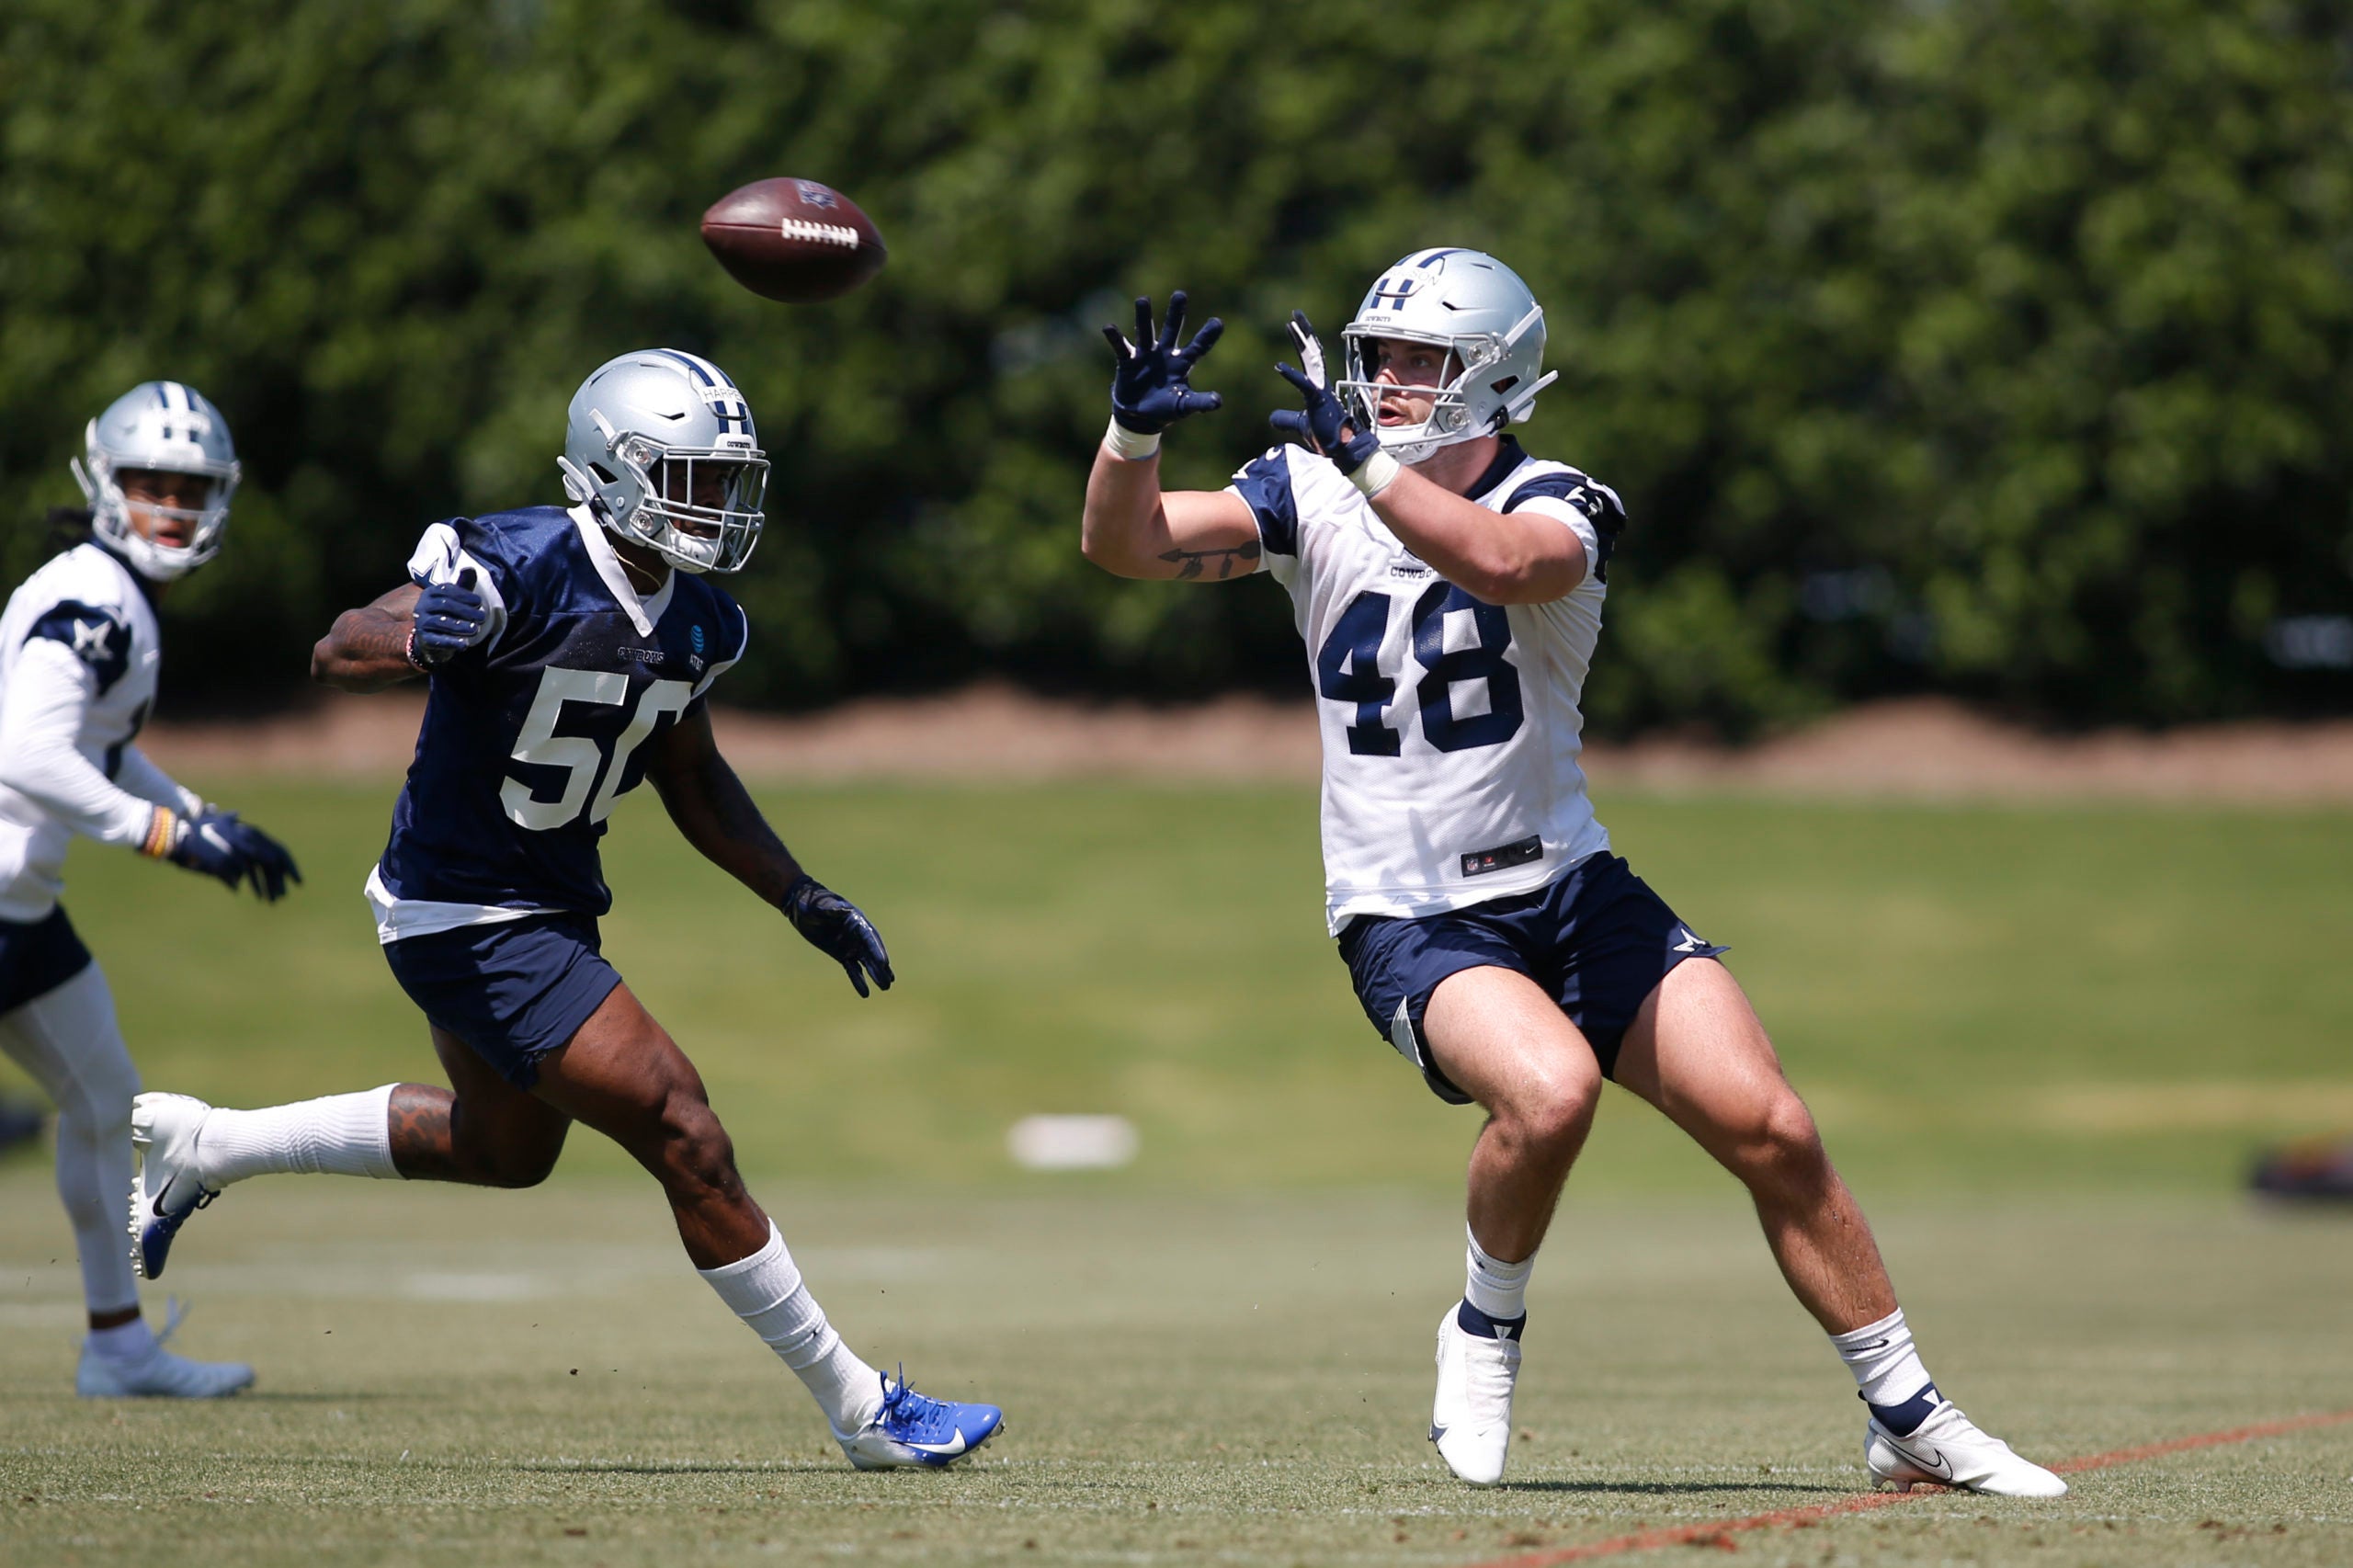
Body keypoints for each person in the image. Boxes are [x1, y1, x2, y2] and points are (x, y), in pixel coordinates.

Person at [1076, 254, 2063, 1495]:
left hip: (1570, 886)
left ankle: (1907, 1413)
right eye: (1377, 356)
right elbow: (1129, 546)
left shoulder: (1566, 500)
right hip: (1411, 908)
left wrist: (1371, 467)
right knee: (1548, 1096)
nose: (1386, 381)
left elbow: (1501, 563)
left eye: (1419, 361)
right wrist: (1126, 440)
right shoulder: (1307, 487)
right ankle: (1485, 1330)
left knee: (1775, 1127)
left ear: (1492, 376)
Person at [129, 349, 1004, 1469]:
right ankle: (862, 1406)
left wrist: (802, 896)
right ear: (613, 469)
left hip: (534, 909)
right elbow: (338, 638)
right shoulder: (516, 561)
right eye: (690, 477)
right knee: (684, 1127)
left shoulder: (695, 619)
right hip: (468, 911)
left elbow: (692, 776)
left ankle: (214, 1143)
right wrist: (412, 638)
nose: (716, 505)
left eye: (726, 481)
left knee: (504, 1148)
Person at [0, 381, 300, 1398]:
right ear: (105, 484)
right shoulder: (95, 596)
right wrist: (170, 836)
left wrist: (203, 814)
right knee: (97, 1101)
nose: (170, 506)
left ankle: (117, 1344)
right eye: (150, 484)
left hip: (21, 908)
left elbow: (103, 751)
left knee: (103, 1101)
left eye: (189, 488)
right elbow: (31, 752)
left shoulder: (111, 594)